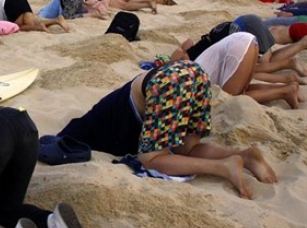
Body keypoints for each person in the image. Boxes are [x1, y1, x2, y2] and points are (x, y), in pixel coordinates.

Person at [48, 60, 277, 199]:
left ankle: (223, 166)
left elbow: (147, 154)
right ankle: (245, 156)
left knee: (152, 158)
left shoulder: (88, 126)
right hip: (195, 73)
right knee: (187, 148)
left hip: (164, 83)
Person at [0, 0, 70, 32]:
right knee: (31, 23)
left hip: (8, 3)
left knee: (19, 27)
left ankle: (39, 28)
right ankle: (56, 20)